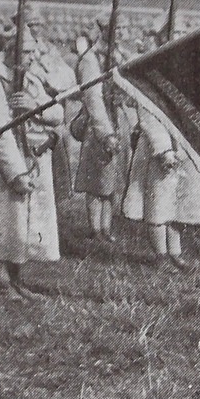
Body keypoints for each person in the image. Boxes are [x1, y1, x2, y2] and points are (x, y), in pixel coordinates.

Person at [0, 34, 66, 299]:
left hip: (34, 158)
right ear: (11, 52)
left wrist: (36, 107)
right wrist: (15, 173)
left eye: (34, 52)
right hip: (5, 166)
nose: (33, 57)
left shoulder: (31, 80)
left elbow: (57, 114)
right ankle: (2, 281)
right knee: (3, 221)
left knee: (24, 224)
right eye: (28, 52)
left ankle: (18, 279)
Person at [121, 33, 200, 270]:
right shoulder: (151, 77)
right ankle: (160, 255)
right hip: (159, 151)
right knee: (158, 201)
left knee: (179, 203)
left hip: (186, 148)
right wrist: (162, 149)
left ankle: (175, 251)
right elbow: (149, 117)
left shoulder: (191, 77)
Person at [72, 15, 126, 244]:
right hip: (98, 126)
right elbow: (93, 98)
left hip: (117, 119)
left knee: (111, 180)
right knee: (96, 181)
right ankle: (95, 229)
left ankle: (106, 227)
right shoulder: (91, 59)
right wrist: (106, 133)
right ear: (106, 30)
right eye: (119, 29)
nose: (123, 33)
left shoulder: (119, 56)